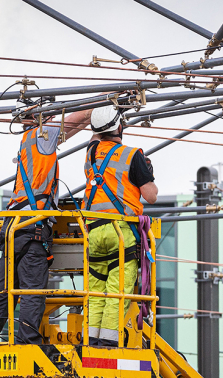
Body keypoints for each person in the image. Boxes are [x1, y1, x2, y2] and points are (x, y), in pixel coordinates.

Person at [0, 108, 92, 344]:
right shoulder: (42, 135)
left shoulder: (29, 141)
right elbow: (73, 122)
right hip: (32, 229)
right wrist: (101, 104)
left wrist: (95, 120)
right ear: (44, 118)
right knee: (31, 292)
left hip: (15, 226)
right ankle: (28, 343)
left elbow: (74, 128)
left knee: (4, 292)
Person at [83, 105, 158, 346]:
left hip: (94, 232)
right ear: (120, 127)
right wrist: (147, 173)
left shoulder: (91, 152)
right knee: (117, 292)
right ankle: (107, 343)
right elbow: (151, 196)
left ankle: (90, 341)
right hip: (120, 233)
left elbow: (97, 134)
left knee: (95, 292)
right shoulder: (133, 155)